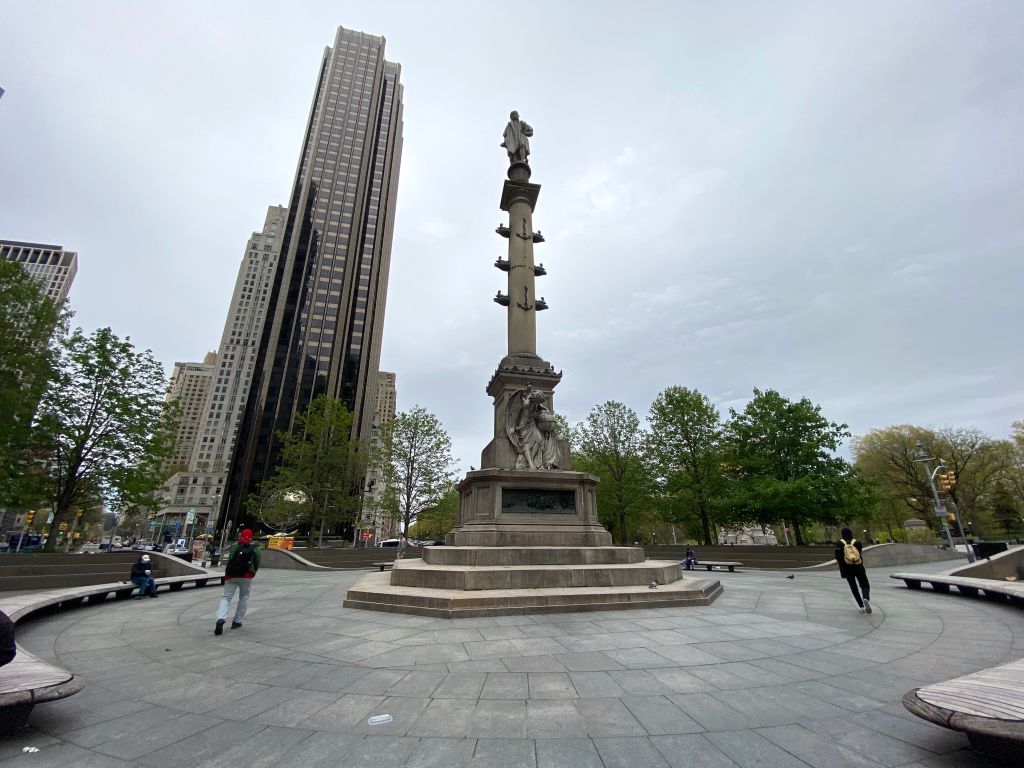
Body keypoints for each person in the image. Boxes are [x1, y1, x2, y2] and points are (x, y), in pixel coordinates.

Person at [215, 528, 260, 635]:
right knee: (244, 597)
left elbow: (230, 560)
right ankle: (237, 621)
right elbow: (257, 562)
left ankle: (220, 618)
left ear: (241, 535)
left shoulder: (235, 545)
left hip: (232, 575)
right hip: (246, 576)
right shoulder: (255, 548)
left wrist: (227, 575)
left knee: (226, 597)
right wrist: (253, 573)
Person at [835, 527, 871, 614]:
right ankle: (865, 597)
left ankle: (861, 606)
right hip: (858, 567)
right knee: (865, 584)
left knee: (853, 587)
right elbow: (859, 554)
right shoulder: (857, 542)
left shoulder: (839, 543)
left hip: (847, 569)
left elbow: (838, 557)